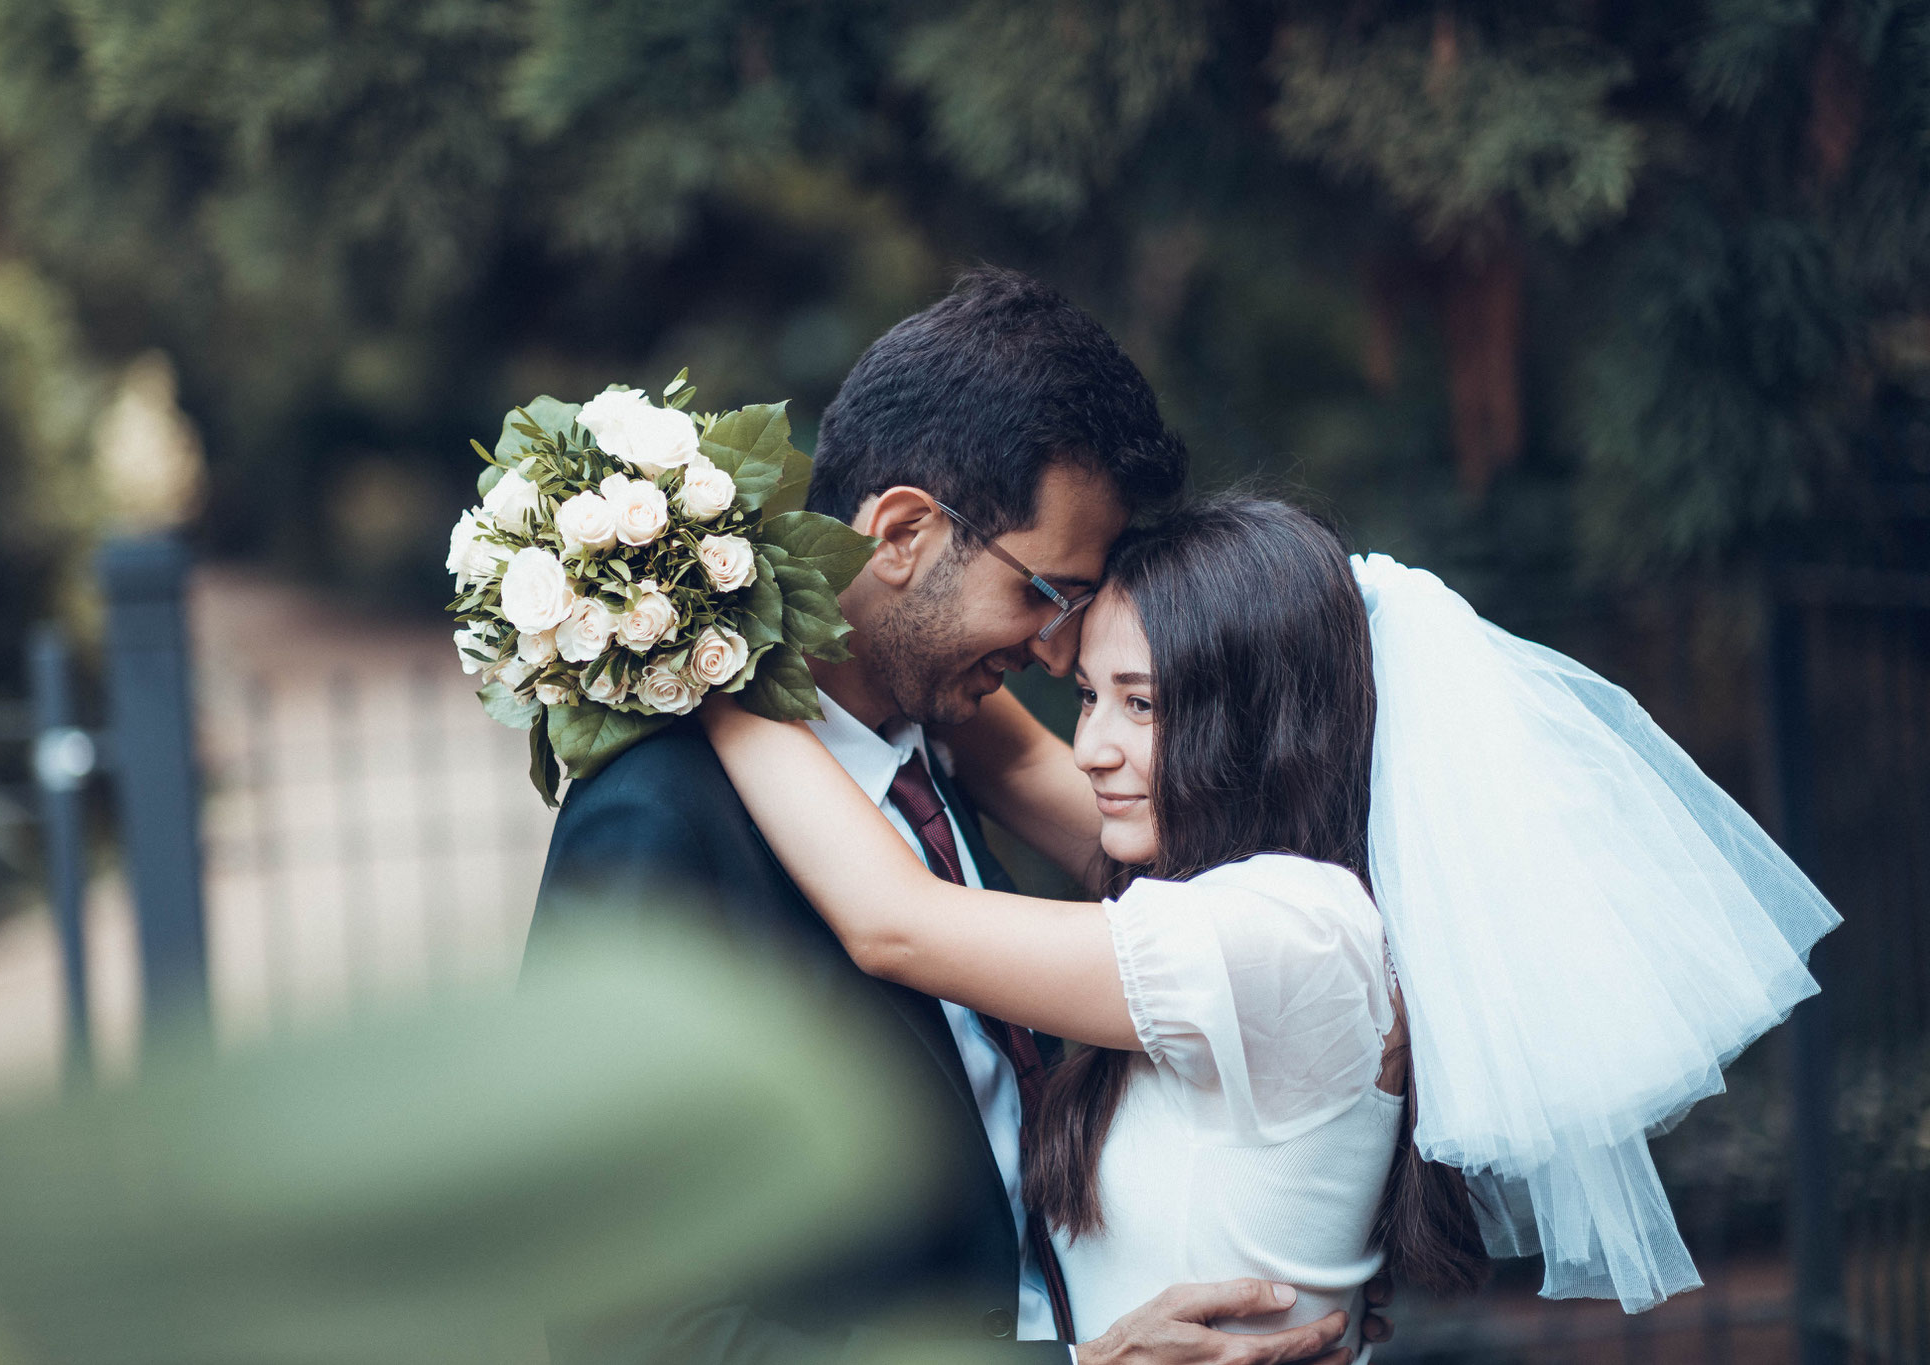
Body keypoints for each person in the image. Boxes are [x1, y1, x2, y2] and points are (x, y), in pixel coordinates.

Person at [699, 493, 1840, 1357]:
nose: (1092, 741)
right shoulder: (1251, 890)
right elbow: (996, 745)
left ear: (1258, 725)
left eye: (1141, 705)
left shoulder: (1282, 937)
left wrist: (686, 642)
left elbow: (896, 924)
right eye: (1087, 693)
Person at [527, 271, 1389, 1364]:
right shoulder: (655, 815)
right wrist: (678, 629)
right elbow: (624, 1329)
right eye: (1043, 592)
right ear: (900, 531)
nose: (1053, 648)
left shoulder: (946, 760)